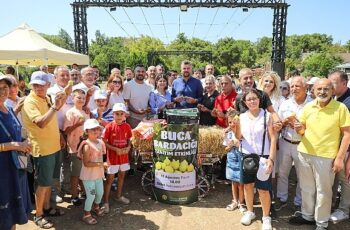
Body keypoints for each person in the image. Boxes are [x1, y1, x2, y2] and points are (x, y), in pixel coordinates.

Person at [289, 78, 350, 230]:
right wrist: (298, 128)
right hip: (304, 153)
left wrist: (340, 158)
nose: (322, 92)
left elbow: (347, 134)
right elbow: (303, 131)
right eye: (319, 89)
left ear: (332, 91)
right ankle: (307, 216)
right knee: (307, 188)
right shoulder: (309, 107)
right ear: (314, 91)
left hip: (326, 157)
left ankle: (321, 223)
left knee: (324, 191)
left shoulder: (340, 108)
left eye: (326, 89)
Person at [22, 71, 66, 228]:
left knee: (49, 182)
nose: (38, 87)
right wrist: (55, 106)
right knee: (43, 183)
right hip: (42, 149)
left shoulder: (46, 98)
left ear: (48, 85)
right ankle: (39, 214)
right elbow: (40, 122)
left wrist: (60, 135)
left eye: (41, 84)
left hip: (53, 147)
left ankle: (46, 208)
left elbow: (51, 119)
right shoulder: (30, 102)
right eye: (35, 84)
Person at [237, 88, 277, 230]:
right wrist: (233, 126)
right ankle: (250, 212)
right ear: (245, 102)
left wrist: (271, 159)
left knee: (263, 189)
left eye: (254, 98)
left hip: (264, 157)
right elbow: (239, 137)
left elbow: (273, 139)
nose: (252, 101)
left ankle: (266, 217)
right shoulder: (241, 117)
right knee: (248, 186)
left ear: (259, 99)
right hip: (246, 156)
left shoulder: (267, 115)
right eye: (249, 99)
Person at [0, 75, 32, 230]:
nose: (2, 91)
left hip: (16, 167)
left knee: (12, 214)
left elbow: (17, 134)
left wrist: (25, 143)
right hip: (2, 172)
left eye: (5, 87)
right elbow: (11, 142)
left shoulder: (10, 110)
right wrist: (13, 145)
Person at [275, 76, 311, 211]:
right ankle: (281, 198)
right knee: (283, 173)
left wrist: (302, 127)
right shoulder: (285, 103)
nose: (294, 89)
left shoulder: (312, 104)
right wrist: (283, 123)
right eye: (292, 86)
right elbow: (278, 123)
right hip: (285, 141)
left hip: (303, 144)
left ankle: (298, 202)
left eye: (297, 86)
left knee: (302, 175)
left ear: (305, 87)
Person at [101, 103, 132, 213]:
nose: (119, 116)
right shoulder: (109, 126)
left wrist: (128, 147)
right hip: (113, 158)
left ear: (124, 115)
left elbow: (129, 139)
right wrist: (115, 149)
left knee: (122, 176)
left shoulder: (127, 126)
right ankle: (105, 202)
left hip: (123, 157)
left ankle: (118, 196)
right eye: (117, 114)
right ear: (113, 115)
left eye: (121, 114)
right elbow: (104, 141)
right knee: (110, 179)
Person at [328, 70, 350, 223]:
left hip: (346, 149)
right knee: (335, 178)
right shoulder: (335, 98)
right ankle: (333, 205)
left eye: (333, 83)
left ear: (344, 83)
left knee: (345, 179)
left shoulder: (348, 102)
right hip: (334, 147)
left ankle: (344, 209)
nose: (330, 86)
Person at [63, 87, 90, 206]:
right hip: (75, 147)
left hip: (85, 147)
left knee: (83, 171)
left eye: (83, 98)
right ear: (72, 98)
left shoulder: (85, 112)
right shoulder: (70, 112)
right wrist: (78, 124)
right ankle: (74, 195)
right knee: (75, 173)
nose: (81, 100)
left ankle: (83, 191)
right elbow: (66, 130)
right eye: (78, 97)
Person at [78, 119, 106, 225]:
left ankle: (96, 207)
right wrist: (101, 165)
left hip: (98, 174)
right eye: (92, 129)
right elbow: (86, 163)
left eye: (97, 129)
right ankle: (86, 214)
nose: (95, 131)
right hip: (88, 176)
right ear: (87, 131)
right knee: (91, 195)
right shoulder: (86, 145)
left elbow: (99, 158)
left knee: (100, 193)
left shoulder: (100, 142)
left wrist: (103, 166)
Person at [224, 110, 246, 213]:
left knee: (241, 180)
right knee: (233, 180)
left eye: (234, 122)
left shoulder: (242, 131)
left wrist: (234, 143)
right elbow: (226, 147)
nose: (232, 124)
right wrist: (229, 146)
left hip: (240, 155)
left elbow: (242, 144)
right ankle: (234, 200)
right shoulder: (228, 133)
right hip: (231, 156)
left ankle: (242, 202)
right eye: (229, 122)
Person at [123, 64, 152, 128]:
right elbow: (126, 102)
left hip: (146, 119)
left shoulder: (149, 87)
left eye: (142, 71)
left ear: (145, 73)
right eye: (138, 71)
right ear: (134, 73)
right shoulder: (128, 85)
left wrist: (148, 108)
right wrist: (136, 111)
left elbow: (150, 102)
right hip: (132, 118)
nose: (140, 73)